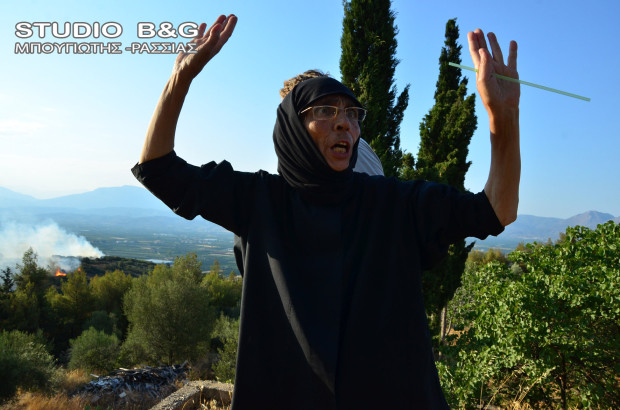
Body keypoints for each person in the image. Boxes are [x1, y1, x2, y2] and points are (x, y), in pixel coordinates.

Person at [132, 14, 520, 409]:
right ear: (292, 127)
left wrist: (503, 118)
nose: (344, 124)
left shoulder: (394, 203)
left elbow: (496, 210)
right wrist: (180, 79)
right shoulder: (259, 200)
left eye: (351, 114)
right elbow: (158, 170)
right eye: (325, 111)